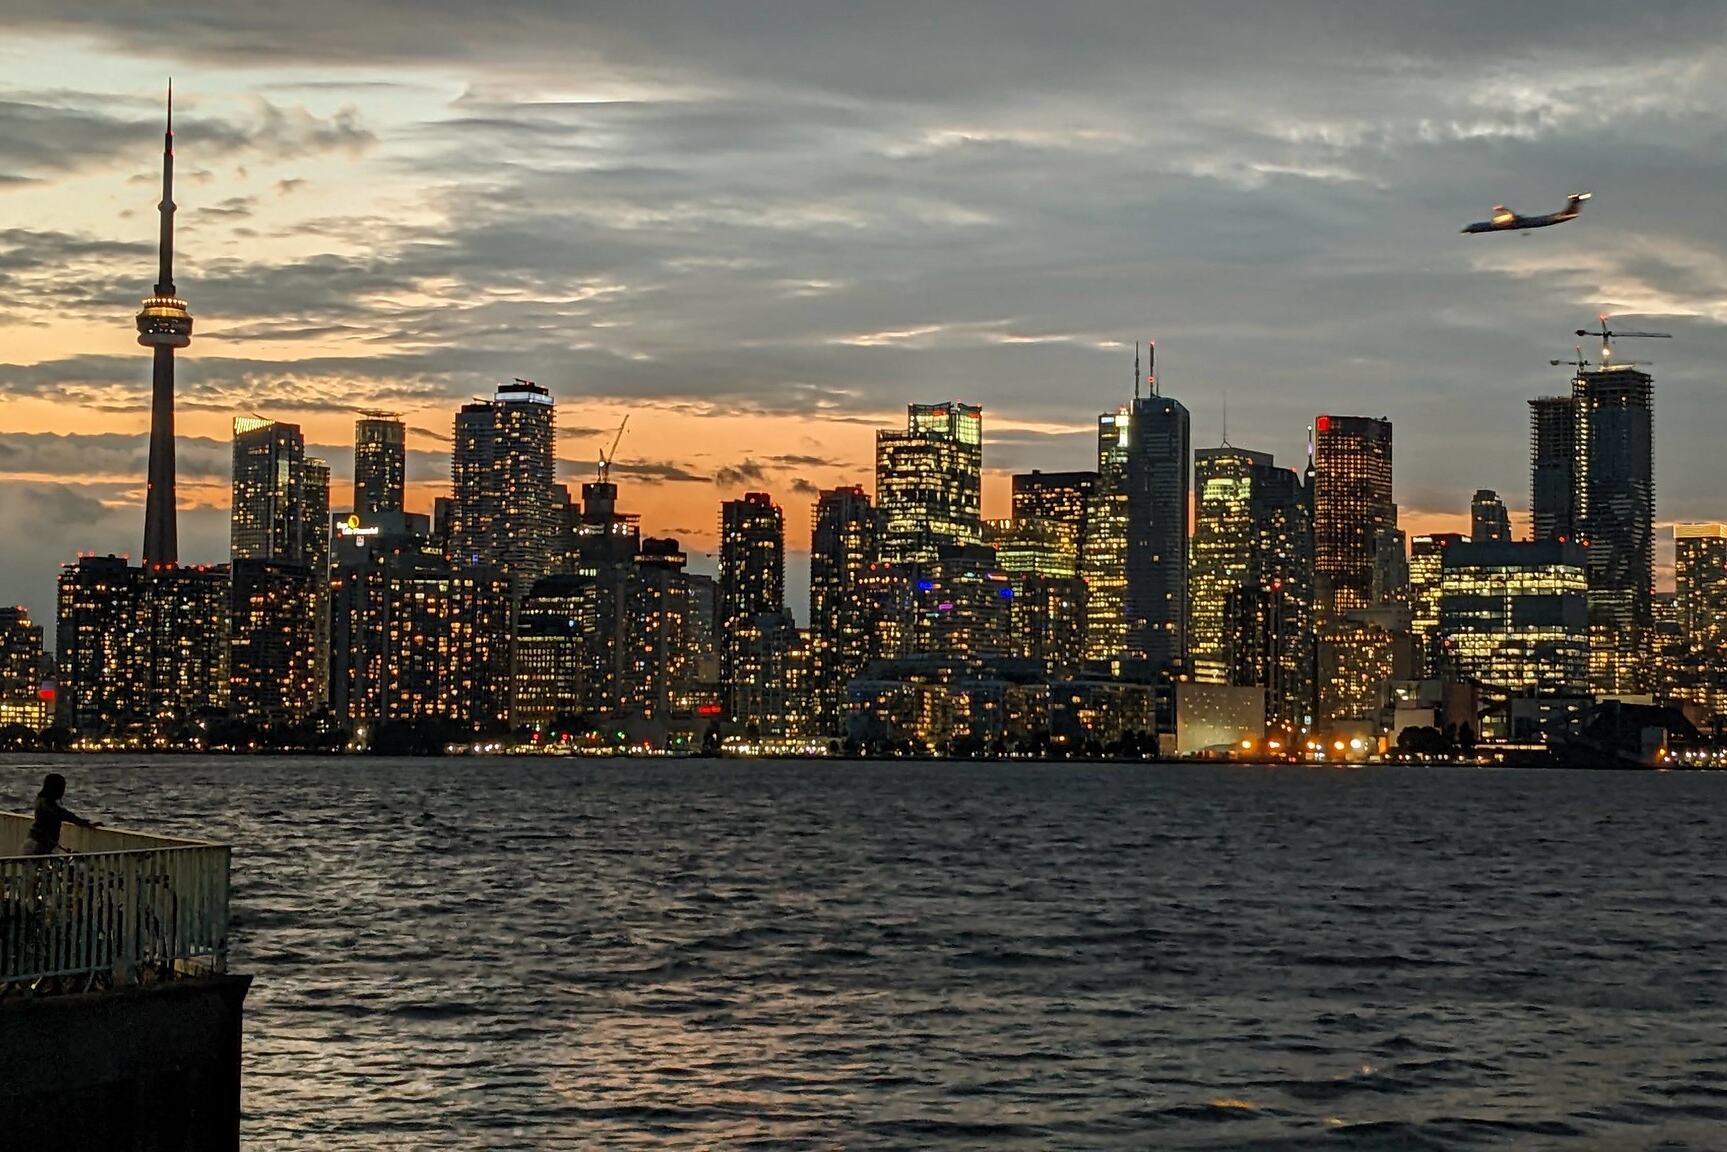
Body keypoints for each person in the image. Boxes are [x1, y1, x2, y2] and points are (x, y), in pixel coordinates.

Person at [20, 773, 99, 856]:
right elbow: (62, 814)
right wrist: (84, 823)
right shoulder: (47, 803)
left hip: (36, 843)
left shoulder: (41, 800)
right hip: (37, 846)